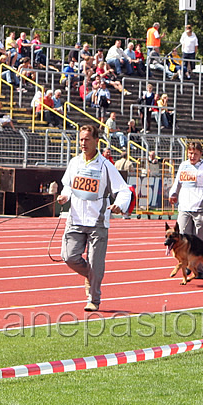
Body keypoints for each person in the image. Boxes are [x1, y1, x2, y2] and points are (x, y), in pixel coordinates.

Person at [56, 125, 131, 312]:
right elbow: (67, 185)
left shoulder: (106, 166)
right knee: (68, 257)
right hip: (75, 219)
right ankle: (91, 275)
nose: (83, 143)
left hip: (97, 222)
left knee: (96, 261)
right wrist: (65, 196)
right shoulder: (74, 163)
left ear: (96, 141)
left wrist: (119, 205)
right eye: (81, 139)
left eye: (87, 139)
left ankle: (94, 299)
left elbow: (123, 190)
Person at [169, 142, 203, 278]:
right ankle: (187, 266)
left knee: (199, 241)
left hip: (200, 207)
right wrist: (173, 194)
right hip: (185, 207)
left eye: (195, 154)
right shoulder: (183, 165)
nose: (192, 156)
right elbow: (177, 182)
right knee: (183, 239)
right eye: (191, 153)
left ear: (200, 154)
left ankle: (200, 269)